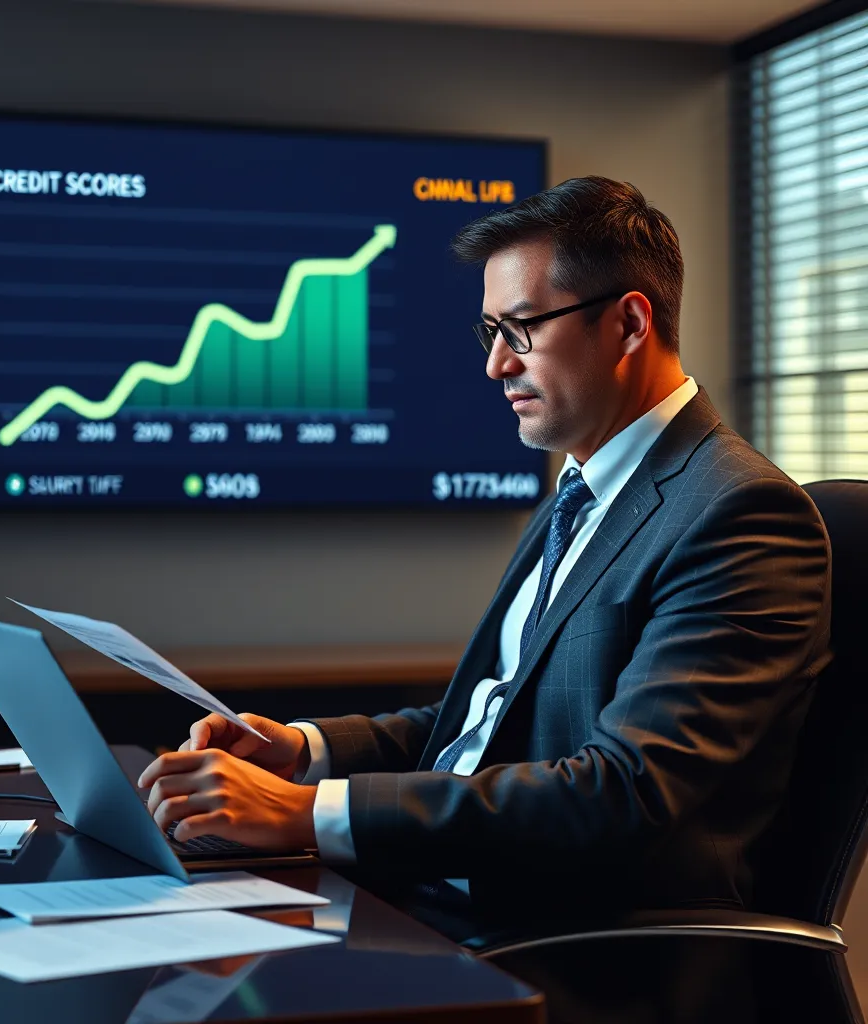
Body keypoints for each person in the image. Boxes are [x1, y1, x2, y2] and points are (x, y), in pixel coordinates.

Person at [139, 177, 831, 919]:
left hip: (568, 943)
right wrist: (307, 751)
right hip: (440, 898)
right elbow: (491, 718)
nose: (496, 364)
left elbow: (627, 792)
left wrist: (304, 813)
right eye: (491, 332)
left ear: (630, 324)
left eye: (521, 328)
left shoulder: (738, 513)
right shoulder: (580, 491)